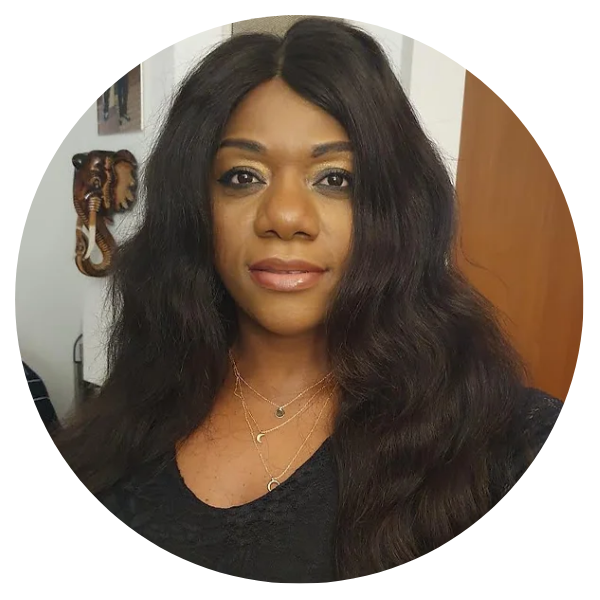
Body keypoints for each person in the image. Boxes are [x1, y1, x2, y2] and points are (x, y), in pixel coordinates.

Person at [54, 17, 563, 582]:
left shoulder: (516, 447)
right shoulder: (130, 412)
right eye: (243, 176)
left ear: (396, 208)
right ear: (194, 209)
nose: (285, 217)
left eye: (335, 179)